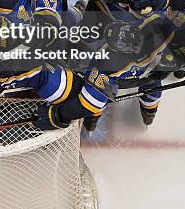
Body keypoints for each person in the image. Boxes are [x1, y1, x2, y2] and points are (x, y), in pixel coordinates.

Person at [34, 15, 175, 131]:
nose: (137, 45)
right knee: (97, 101)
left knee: (154, 87)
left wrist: (177, 59)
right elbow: (90, 103)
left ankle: (149, 114)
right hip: (116, 78)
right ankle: (92, 121)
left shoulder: (154, 26)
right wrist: (59, 115)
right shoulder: (106, 63)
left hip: (147, 74)